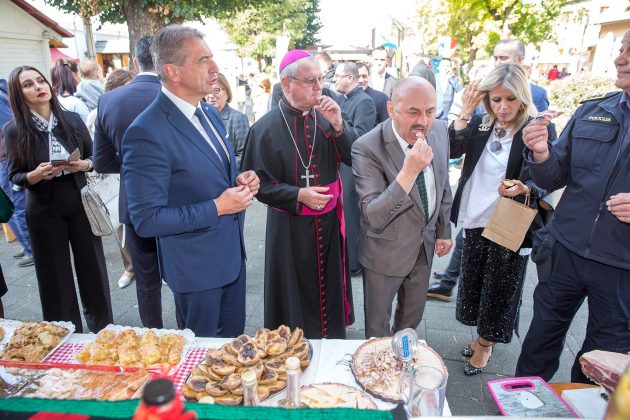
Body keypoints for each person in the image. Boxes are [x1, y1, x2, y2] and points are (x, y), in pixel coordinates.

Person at [122, 25, 259, 337]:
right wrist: (218, 207)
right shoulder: (146, 132)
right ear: (173, 72)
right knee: (202, 360)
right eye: (202, 60)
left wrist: (241, 179)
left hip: (231, 259)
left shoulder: (209, 113)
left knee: (233, 350)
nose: (215, 68)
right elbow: (146, 219)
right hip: (196, 272)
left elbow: (211, 173)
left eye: (211, 58)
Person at [516, 30, 630, 383]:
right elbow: (554, 176)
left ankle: (582, 406)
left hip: (621, 268)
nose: (619, 58)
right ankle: (522, 400)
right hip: (565, 251)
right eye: (621, 49)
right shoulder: (594, 110)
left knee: (601, 361)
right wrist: (541, 153)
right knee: (540, 341)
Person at [241, 50, 354, 339]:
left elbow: (354, 158)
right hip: (288, 231)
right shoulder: (263, 129)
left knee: (329, 296)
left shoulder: (327, 117)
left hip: (328, 226)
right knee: (291, 304)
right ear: (287, 84)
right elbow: (257, 186)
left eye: (320, 79)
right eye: (310, 81)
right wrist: (297, 194)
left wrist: (339, 125)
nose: (319, 87)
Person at [449, 63, 547, 375]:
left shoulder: (534, 127)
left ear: (522, 97)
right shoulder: (481, 123)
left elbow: (550, 175)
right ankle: (481, 335)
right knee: (476, 281)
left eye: (510, 99)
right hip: (476, 215)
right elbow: (452, 149)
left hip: (511, 220)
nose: (503, 107)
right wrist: (464, 114)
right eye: (496, 99)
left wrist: (526, 187)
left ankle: (485, 344)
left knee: (500, 288)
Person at [4, 66, 113, 333]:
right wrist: (34, 175)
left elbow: (94, 158)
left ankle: (103, 330)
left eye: (40, 80)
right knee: (54, 275)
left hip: (80, 200)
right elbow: (15, 175)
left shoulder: (72, 120)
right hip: (43, 206)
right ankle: (65, 334)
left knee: (92, 269)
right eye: (28, 84)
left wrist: (84, 164)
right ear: (18, 93)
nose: (38, 87)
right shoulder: (15, 130)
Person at [352, 76, 453, 338]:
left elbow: (442, 183)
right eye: (413, 112)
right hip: (384, 252)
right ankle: (378, 364)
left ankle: (402, 357)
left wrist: (443, 230)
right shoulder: (367, 147)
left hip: (424, 248)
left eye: (430, 111)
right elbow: (373, 215)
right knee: (378, 331)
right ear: (391, 108)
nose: (423, 122)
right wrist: (409, 171)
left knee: (410, 323)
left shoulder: (439, 130)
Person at [94, 36, 164, 329]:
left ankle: (153, 336)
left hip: (134, 199)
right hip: (180, 198)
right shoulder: (177, 94)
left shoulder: (109, 100)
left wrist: (131, 165)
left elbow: (102, 162)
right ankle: (192, 337)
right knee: (186, 276)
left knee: (146, 280)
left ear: (135, 62)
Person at [333, 62, 377, 277]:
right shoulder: (344, 99)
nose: (334, 80)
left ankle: (353, 262)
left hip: (352, 166)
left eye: (338, 76)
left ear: (350, 78)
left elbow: (361, 136)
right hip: (340, 163)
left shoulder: (364, 101)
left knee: (350, 215)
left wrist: (340, 125)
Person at [0, 78, 34, 267]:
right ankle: (28, 243)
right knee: (16, 203)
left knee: (14, 205)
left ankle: (30, 246)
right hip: (9, 157)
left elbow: (9, 128)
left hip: (6, 158)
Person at [205, 72, 250, 168]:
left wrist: (219, 168)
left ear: (227, 92)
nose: (211, 95)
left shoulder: (238, 119)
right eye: (207, 91)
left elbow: (244, 156)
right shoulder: (201, 118)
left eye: (216, 90)